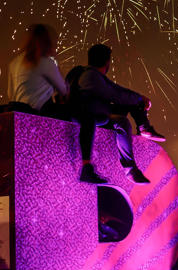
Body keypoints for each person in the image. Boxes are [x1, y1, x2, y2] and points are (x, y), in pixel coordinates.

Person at [70, 44, 165, 184]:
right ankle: (130, 169)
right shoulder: (90, 76)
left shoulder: (96, 75)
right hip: (92, 115)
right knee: (123, 121)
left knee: (132, 101)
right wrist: (138, 98)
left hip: (99, 112)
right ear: (107, 62)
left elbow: (118, 90)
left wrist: (139, 98)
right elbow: (114, 94)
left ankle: (144, 128)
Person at [6, 24, 69, 118]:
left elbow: (10, 94)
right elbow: (63, 90)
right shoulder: (45, 62)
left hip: (19, 115)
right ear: (47, 42)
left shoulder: (14, 63)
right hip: (40, 114)